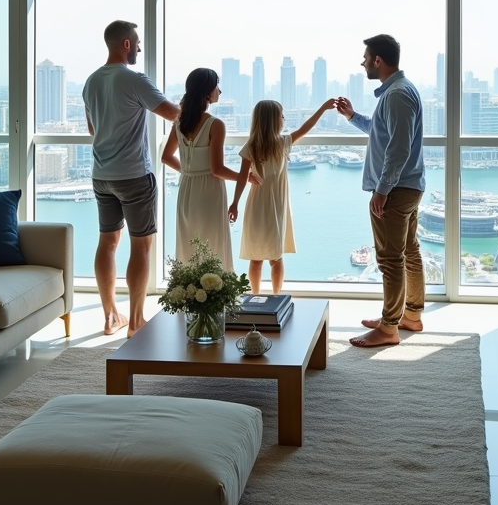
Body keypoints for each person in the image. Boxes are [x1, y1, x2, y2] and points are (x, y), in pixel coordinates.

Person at [83, 20, 179, 338]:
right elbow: (173, 114)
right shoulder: (135, 79)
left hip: (101, 175)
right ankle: (136, 321)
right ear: (125, 43)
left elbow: (92, 131)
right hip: (134, 176)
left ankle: (111, 316)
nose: (139, 47)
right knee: (141, 247)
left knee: (107, 244)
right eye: (136, 42)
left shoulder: (91, 81)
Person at [336, 34, 425, 347]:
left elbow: (398, 148)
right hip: (407, 187)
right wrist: (351, 117)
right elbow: (381, 132)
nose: (362, 62)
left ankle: (389, 327)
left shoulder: (398, 94)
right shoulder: (396, 93)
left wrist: (382, 190)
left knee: (390, 258)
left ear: (378, 60)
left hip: (397, 189)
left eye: (365, 57)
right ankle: (410, 314)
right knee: (409, 251)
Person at [229, 97, 336, 294]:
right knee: (275, 258)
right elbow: (306, 127)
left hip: (258, 206)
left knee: (257, 256)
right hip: (276, 207)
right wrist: (323, 107)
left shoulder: (253, 146)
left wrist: (235, 203)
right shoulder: (282, 143)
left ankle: (255, 296)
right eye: (282, 115)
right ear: (273, 120)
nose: (284, 119)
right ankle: (275, 296)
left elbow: (242, 179)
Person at [161, 68, 243, 269]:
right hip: (209, 191)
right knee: (214, 243)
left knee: (189, 243)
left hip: (187, 189)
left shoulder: (179, 122)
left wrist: (189, 172)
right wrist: (245, 176)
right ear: (207, 92)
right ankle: (216, 294)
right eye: (217, 86)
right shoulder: (215, 124)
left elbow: (166, 157)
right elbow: (217, 170)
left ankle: (190, 293)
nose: (219, 91)